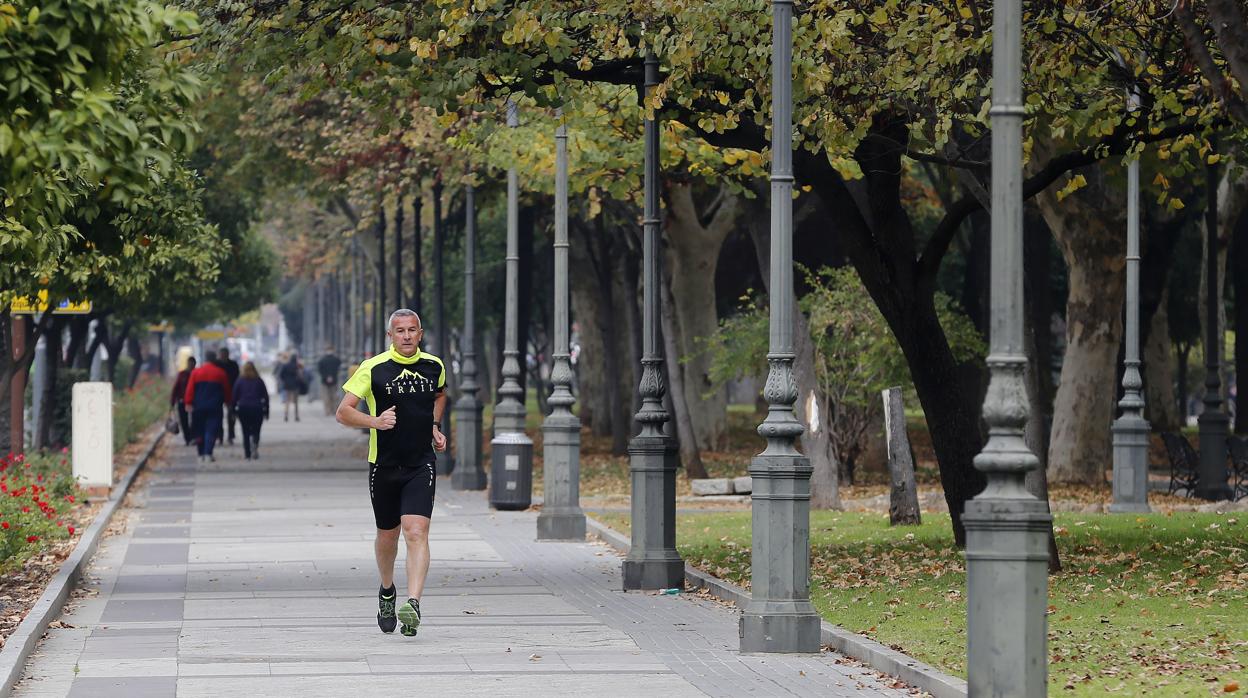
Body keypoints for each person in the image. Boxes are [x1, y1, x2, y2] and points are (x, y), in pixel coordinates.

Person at [336, 309, 447, 637]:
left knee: (416, 531)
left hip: (420, 463)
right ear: (391, 336)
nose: (407, 336)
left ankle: (412, 604)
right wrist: (375, 422)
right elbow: (343, 412)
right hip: (383, 465)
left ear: (421, 333)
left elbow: (440, 394)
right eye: (400, 331)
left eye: (412, 330)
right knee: (388, 536)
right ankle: (388, 590)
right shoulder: (372, 369)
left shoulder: (434, 366)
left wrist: (434, 425)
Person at [185, 350, 232, 463]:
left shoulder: (196, 373)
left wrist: (188, 403)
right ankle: (208, 453)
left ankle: (200, 453)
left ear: (205, 359)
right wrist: (228, 402)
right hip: (215, 407)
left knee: (199, 430)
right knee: (211, 429)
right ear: (215, 359)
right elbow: (226, 390)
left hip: (198, 407)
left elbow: (190, 389)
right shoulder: (220, 373)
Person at [232, 362, 269, 460]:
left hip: (243, 408)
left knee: (245, 431)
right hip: (257, 408)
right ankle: (255, 444)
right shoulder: (259, 381)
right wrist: (266, 411)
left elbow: (234, 397)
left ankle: (247, 454)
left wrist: (233, 411)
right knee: (256, 430)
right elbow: (265, 396)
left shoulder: (239, 381)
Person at [215, 347, 241, 445]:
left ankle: (231, 435)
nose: (223, 356)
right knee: (218, 416)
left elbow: (237, 378)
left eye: (225, 354)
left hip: (231, 393)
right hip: (218, 393)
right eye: (222, 354)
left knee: (231, 415)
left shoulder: (233, 365)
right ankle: (219, 436)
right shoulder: (216, 364)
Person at [170, 357, 196, 446]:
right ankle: (187, 438)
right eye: (189, 363)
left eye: (192, 364)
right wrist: (172, 402)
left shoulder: (196, 373)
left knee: (194, 420)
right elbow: (176, 388)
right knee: (184, 420)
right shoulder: (182, 374)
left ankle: (193, 437)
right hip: (182, 400)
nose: (191, 365)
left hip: (194, 401)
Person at [317, 346, 343, 416]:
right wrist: (331, 376)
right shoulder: (336, 359)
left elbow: (320, 370)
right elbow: (338, 368)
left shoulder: (322, 360)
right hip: (334, 380)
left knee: (326, 396)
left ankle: (327, 411)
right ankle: (334, 410)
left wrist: (326, 377)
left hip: (324, 381)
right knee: (334, 396)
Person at [278, 352, 304, 422]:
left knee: (287, 401)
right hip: (295, 385)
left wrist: (285, 380)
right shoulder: (297, 366)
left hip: (287, 385)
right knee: (296, 402)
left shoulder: (285, 365)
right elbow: (301, 375)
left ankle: (286, 416)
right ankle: (296, 416)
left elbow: (281, 375)